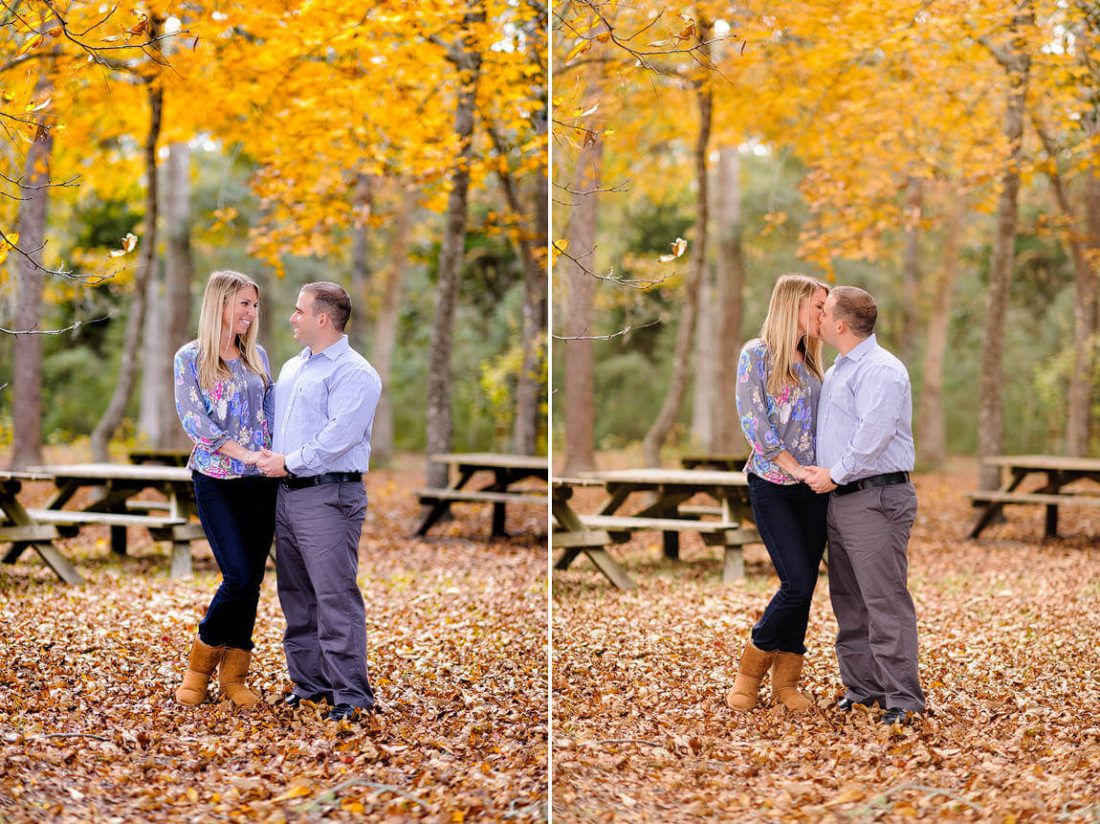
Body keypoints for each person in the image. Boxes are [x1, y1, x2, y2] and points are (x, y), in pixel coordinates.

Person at [255, 281, 382, 722]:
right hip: (287, 495)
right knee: (295, 595)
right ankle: (310, 686)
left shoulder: (355, 373)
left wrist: (288, 462)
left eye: (299, 311)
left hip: (330, 494)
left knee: (335, 596)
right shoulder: (293, 368)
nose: (292, 318)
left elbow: (336, 439)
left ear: (322, 319)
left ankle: (351, 695)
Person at [802, 285, 924, 726]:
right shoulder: (837, 370)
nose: (816, 318)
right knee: (849, 601)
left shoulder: (882, 370)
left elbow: (873, 435)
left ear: (839, 324)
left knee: (883, 600)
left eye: (823, 312)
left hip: (876, 497)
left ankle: (903, 699)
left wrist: (834, 473)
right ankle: (864, 689)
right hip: (841, 499)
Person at [726, 273, 831, 714]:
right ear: (794, 305)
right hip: (773, 484)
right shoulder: (757, 354)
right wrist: (793, 468)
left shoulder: (811, 361)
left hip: (816, 489)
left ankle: (787, 686)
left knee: (804, 590)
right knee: (797, 582)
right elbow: (754, 424)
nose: (825, 315)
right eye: (819, 306)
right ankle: (750, 670)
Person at [173, 270, 277, 708]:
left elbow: (272, 418)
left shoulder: (259, 359)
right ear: (220, 304)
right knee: (236, 575)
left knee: (251, 580)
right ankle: (198, 668)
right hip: (216, 480)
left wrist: (272, 458)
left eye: (254, 305)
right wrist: (247, 454)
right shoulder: (190, 358)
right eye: (244, 305)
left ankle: (234, 679)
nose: (251, 314)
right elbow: (197, 424)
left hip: (261, 485)